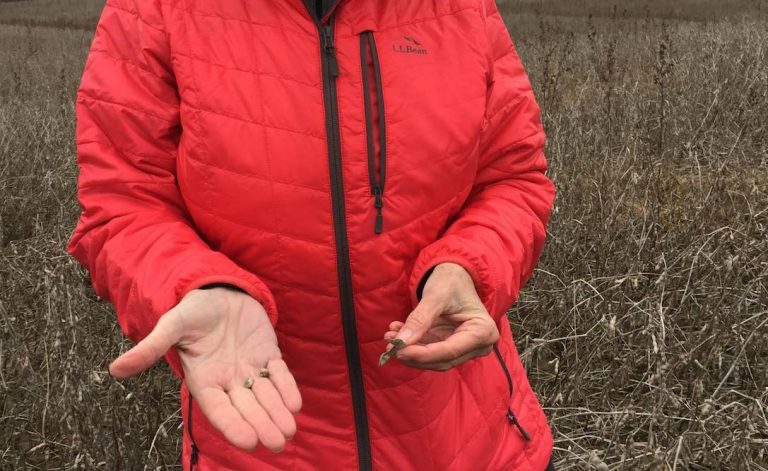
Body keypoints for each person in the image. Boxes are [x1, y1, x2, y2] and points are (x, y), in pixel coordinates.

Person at [67, 0, 557, 469]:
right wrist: (196, 284)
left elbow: (513, 179)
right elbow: (122, 201)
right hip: (259, 441)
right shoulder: (155, 9)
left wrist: (469, 263)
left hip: (474, 443)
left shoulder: (463, 7)